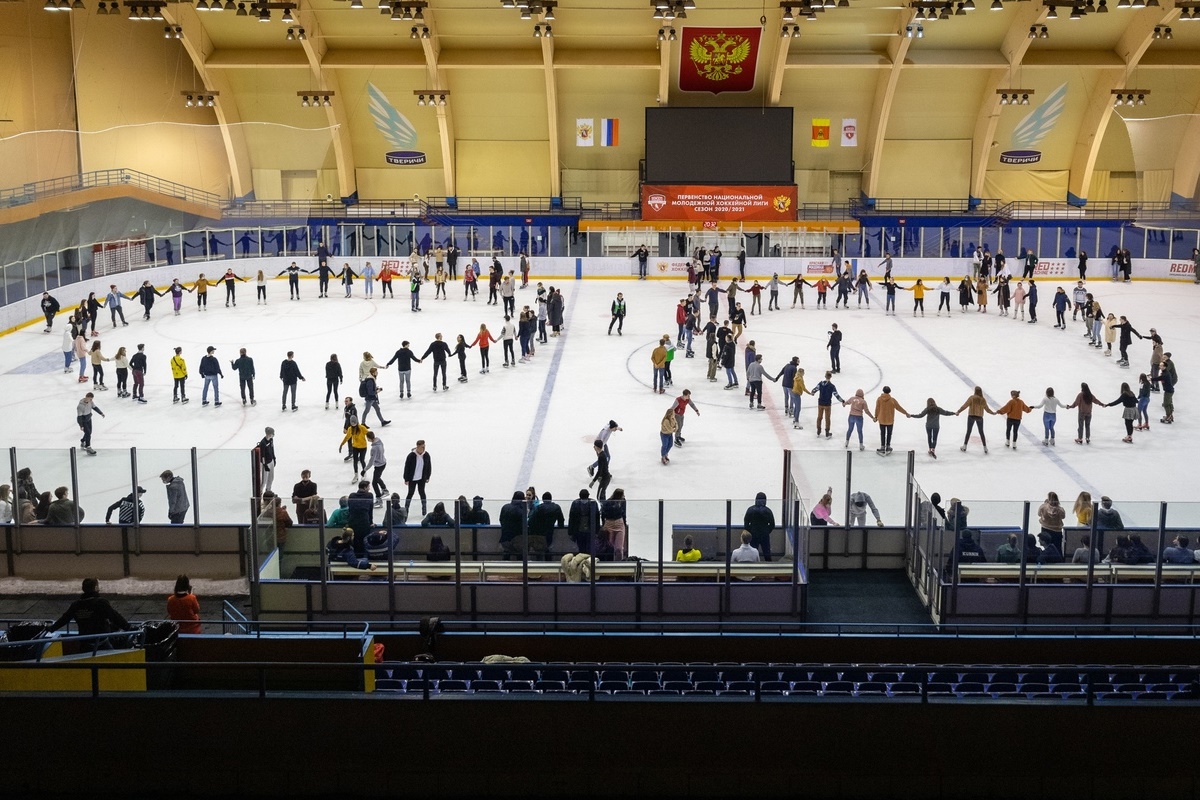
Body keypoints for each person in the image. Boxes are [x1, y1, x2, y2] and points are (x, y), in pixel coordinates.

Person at [50, 578, 132, 640]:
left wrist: (51, 628)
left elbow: (64, 619)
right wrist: (128, 628)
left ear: (83, 589)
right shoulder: (101, 603)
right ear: (96, 588)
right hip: (101, 641)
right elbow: (115, 617)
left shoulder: (76, 605)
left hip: (84, 640)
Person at [956, 386, 996, 453]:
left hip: (971, 416)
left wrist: (958, 411)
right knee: (981, 432)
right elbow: (987, 409)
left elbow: (965, 405)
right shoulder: (983, 399)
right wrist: (993, 413)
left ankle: (964, 446)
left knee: (968, 431)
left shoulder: (972, 398)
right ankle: (985, 448)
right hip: (979, 417)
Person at [528, 491, 565, 560]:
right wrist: (561, 527)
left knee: (539, 550)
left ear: (543, 499)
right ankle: (549, 562)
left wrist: (532, 529)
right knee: (547, 548)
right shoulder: (556, 507)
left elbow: (531, 520)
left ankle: (539, 566)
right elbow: (561, 521)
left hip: (539, 533)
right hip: (549, 532)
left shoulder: (539, 508)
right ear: (551, 499)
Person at [872, 385, 909, 455]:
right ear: (889, 392)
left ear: (883, 391)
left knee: (882, 433)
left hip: (882, 420)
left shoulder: (879, 399)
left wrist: (876, 417)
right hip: (890, 420)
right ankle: (888, 446)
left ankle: (882, 446)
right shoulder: (892, 400)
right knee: (889, 434)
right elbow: (899, 407)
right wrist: (906, 413)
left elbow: (877, 408)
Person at [742, 492, 776, 561]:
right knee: (767, 553)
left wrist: (750, 531)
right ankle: (769, 568)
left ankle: (752, 567)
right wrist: (766, 531)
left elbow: (746, 523)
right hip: (764, 534)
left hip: (753, 534)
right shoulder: (768, 511)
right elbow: (772, 524)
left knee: (752, 553)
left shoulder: (750, 510)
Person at [403, 439, 432, 516]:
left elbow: (429, 466)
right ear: (418, 447)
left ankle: (424, 508)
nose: (423, 448)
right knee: (410, 493)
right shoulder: (411, 456)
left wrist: (428, 476)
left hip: (422, 478)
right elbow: (407, 468)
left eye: (424, 446)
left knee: (422, 492)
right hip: (412, 479)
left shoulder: (426, 455)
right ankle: (406, 508)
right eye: (422, 447)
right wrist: (406, 479)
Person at [567, 489, 599, 556]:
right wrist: (597, 531)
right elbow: (597, 518)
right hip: (589, 530)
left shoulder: (575, 503)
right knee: (589, 549)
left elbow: (571, 518)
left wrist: (570, 532)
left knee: (581, 549)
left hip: (579, 530)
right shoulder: (593, 503)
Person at [499, 491, 528, 560]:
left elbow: (501, 519)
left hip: (505, 537)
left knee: (506, 553)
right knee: (520, 555)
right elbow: (524, 524)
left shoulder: (505, 507)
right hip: (517, 538)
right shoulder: (521, 510)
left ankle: (503, 569)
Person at [256, 427, 277, 493]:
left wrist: (274, 458)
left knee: (271, 477)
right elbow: (263, 455)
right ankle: (260, 492)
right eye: (271, 434)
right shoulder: (263, 443)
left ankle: (268, 490)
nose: (272, 435)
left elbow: (272, 449)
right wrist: (265, 465)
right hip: (266, 463)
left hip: (271, 461)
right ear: (268, 434)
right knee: (264, 480)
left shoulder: (271, 440)